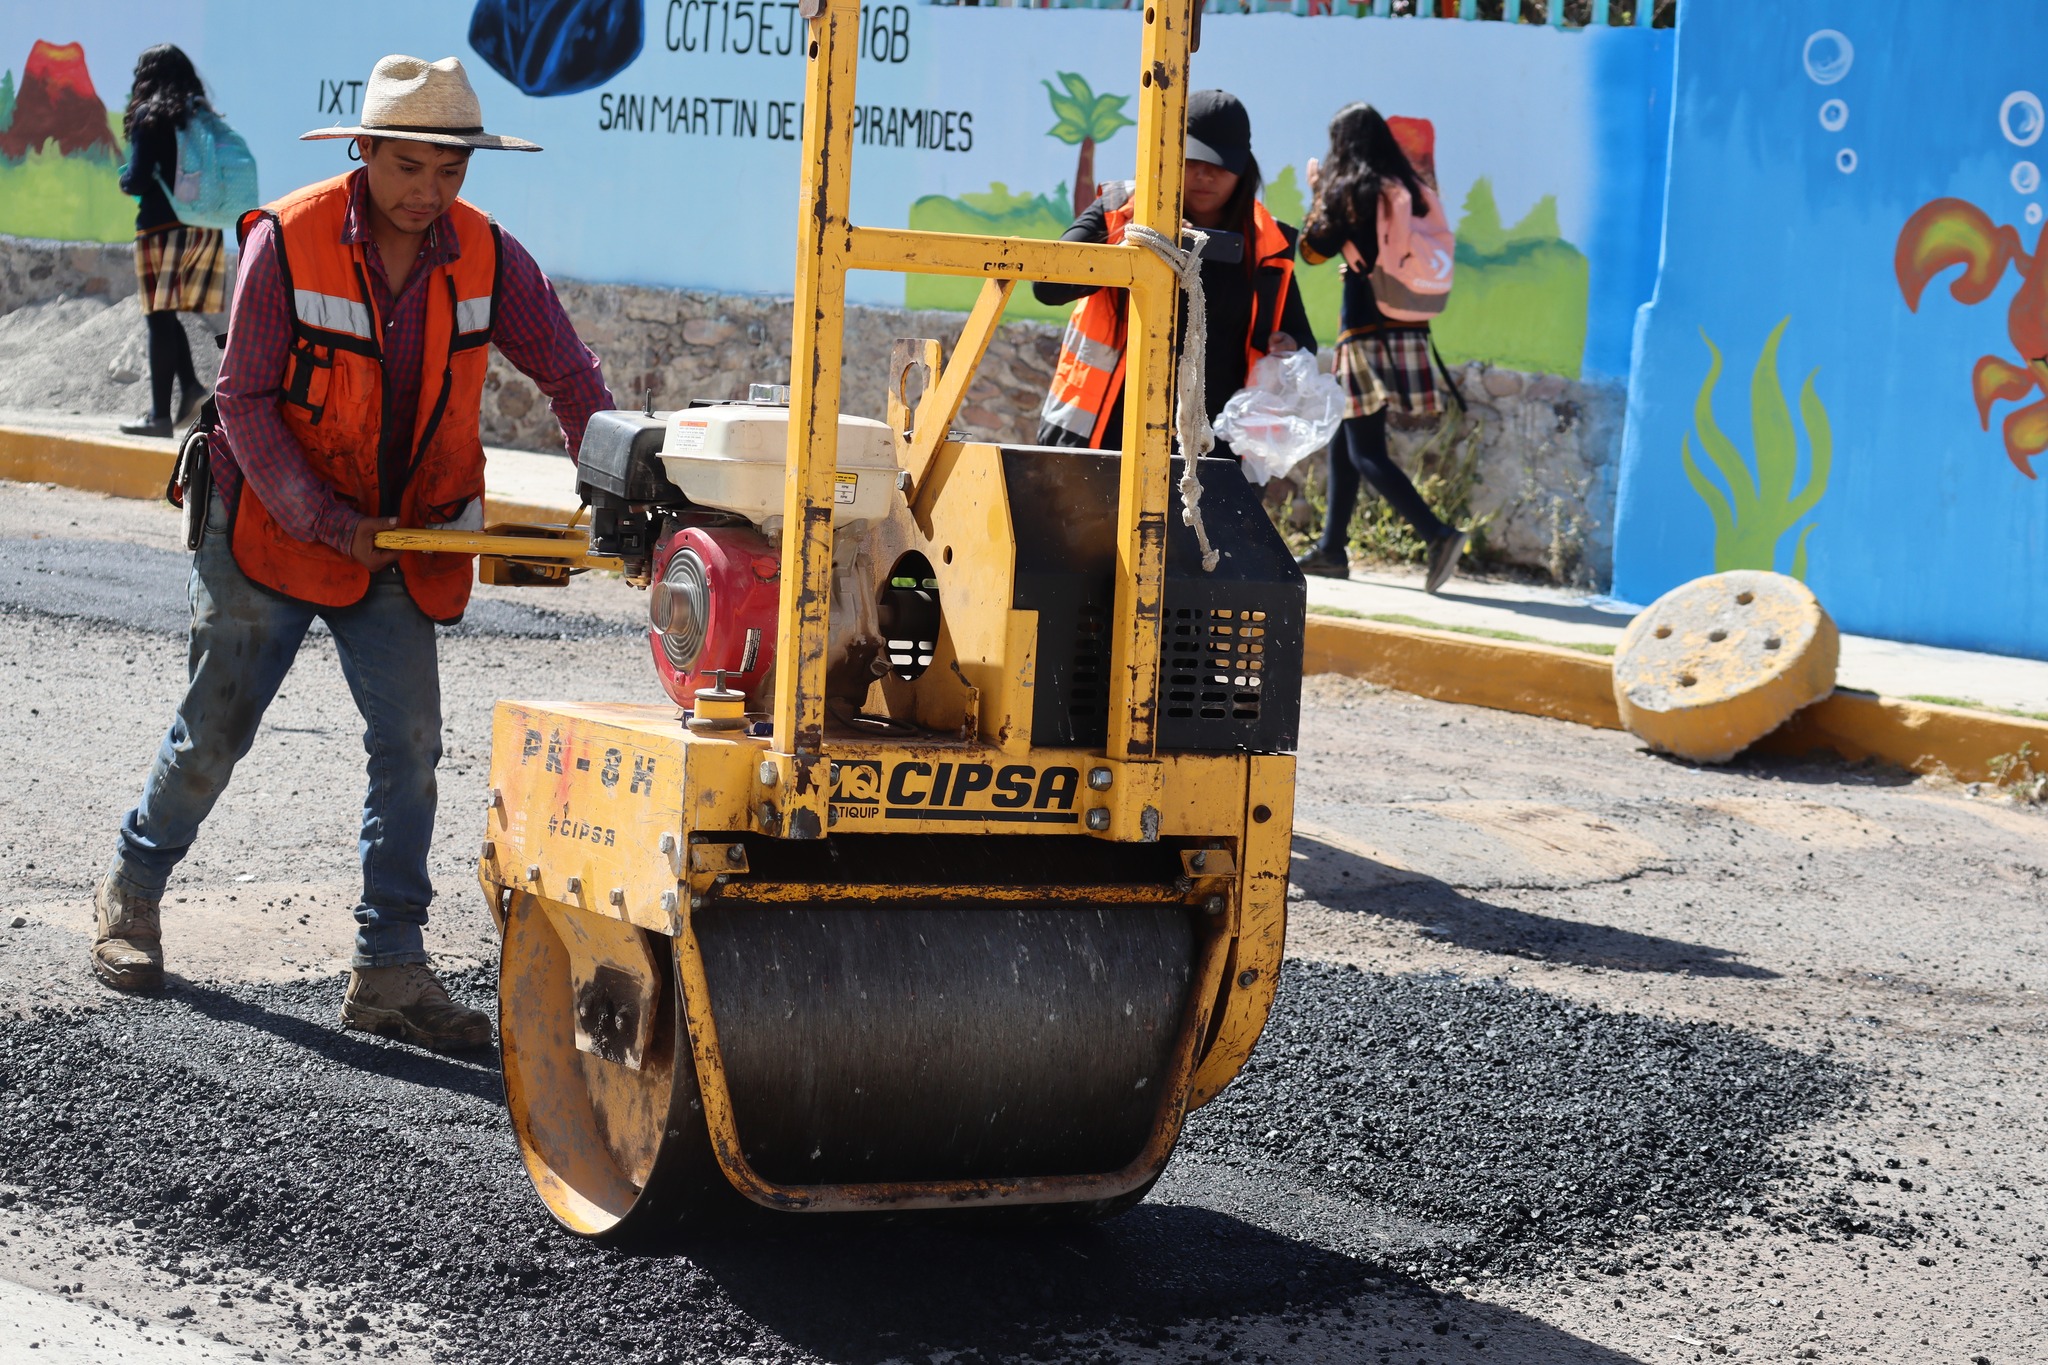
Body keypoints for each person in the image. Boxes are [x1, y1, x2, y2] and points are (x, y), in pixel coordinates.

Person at [89, 55, 615, 1052]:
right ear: (365, 151)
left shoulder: (490, 257)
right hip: (270, 529)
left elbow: (571, 378)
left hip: (404, 541)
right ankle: (132, 892)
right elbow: (242, 402)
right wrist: (330, 522)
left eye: (448, 171)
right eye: (408, 167)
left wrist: (623, 484)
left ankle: (388, 971)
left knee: (410, 749)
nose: (427, 192)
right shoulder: (285, 244)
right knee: (216, 728)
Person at [1035, 89, 1314, 457]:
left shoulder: (1268, 243)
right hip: (1103, 437)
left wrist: (1290, 346)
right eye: (1194, 159)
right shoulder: (1119, 210)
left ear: (1243, 168)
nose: (1205, 175)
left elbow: (1302, 338)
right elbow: (1047, 286)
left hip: (1212, 452)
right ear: (1170, 154)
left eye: (1220, 165)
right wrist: (1130, 253)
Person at [1293, 102, 1467, 594]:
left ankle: (1438, 535)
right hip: (1406, 326)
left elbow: (1311, 249)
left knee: (1366, 449)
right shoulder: (1409, 189)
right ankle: (1332, 548)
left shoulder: (1353, 190)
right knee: (1346, 442)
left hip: (1365, 332)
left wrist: (1317, 193)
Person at [116, 44, 221, 439]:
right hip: (201, 227)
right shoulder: (198, 116)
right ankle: (191, 385)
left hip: (160, 228)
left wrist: (124, 178)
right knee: (168, 313)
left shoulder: (150, 116)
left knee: (157, 316)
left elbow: (139, 179)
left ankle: (159, 416)